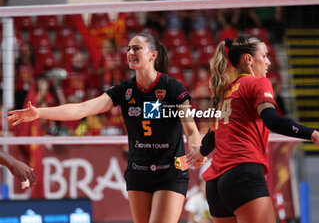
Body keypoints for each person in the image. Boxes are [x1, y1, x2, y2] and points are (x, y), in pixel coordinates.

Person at [7, 32, 202, 223]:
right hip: (139, 172)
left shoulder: (172, 88)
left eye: (137, 48)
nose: (130, 52)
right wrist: (40, 113)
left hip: (171, 171)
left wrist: (196, 147)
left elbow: (191, 130)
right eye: (128, 49)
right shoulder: (124, 90)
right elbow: (81, 109)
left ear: (153, 55)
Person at [186, 34, 319, 223]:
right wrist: (314, 134)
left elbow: (213, 137)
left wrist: (200, 154)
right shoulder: (257, 83)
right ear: (248, 59)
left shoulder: (224, 93)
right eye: (264, 56)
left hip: (215, 184)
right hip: (243, 174)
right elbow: (272, 120)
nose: (269, 62)